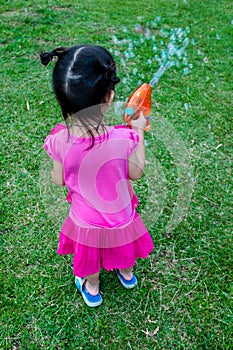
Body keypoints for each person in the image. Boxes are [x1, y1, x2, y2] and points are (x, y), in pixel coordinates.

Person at [40, 44, 154, 307]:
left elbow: (58, 180)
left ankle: (92, 288)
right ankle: (126, 274)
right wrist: (139, 132)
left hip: (86, 221)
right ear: (109, 97)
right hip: (120, 214)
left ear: (63, 99)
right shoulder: (123, 138)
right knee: (121, 243)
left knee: (90, 255)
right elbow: (135, 173)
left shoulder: (58, 140)